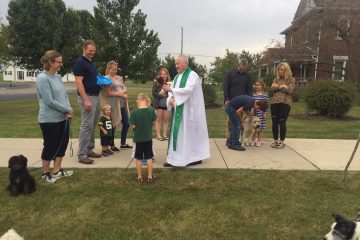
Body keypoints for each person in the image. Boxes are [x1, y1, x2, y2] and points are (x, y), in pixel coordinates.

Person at [162, 54, 210, 167]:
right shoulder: (177, 77)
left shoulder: (192, 75)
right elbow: (172, 92)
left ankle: (192, 158)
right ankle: (174, 158)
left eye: (178, 63)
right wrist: (170, 100)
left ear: (186, 64)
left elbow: (188, 90)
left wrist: (172, 90)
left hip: (189, 112)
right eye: (175, 64)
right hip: (179, 109)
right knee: (178, 135)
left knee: (188, 136)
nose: (176, 66)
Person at [36, 50, 73, 183]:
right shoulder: (42, 78)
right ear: (50, 62)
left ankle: (57, 170)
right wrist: (66, 109)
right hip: (49, 119)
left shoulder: (57, 77)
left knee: (62, 144)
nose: (61, 64)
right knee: (50, 146)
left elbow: (64, 95)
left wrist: (68, 109)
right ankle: (45, 174)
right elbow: (49, 101)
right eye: (59, 62)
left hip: (62, 118)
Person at [74, 40, 101, 164]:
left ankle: (89, 149)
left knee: (93, 125)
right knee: (86, 125)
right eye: (90, 50)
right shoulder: (80, 62)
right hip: (88, 97)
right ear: (84, 49)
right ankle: (82, 154)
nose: (92, 53)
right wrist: (86, 99)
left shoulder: (90, 63)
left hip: (96, 96)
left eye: (94, 51)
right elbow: (79, 82)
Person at [101, 60, 131, 151]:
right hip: (112, 103)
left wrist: (123, 92)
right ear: (108, 69)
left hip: (122, 104)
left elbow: (124, 87)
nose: (114, 71)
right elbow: (108, 93)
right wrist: (120, 94)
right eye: (112, 69)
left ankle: (123, 143)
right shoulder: (105, 79)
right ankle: (111, 144)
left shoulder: (119, 78)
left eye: (115, 69)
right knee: (113, 123)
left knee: (126, 123)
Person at [129, 93, 157, 183]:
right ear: (147, 101)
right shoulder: (152, 111)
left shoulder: (134, 112)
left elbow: (133, 126)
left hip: (138, 139)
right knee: (149, 158)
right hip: (148, 139)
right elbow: (154, 123)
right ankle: (149, 177)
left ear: (138, 101)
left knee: (138, 158)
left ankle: (139, 177)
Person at [223, 58, 252, 142]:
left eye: (244, 69)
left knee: (239, 121)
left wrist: (250, 101)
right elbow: (226, 87)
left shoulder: (248, 76)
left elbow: (249, 90)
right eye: (241, 68)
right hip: (231, 101)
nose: (243, 70)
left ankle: (236, 138)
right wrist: (226, 99)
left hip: (241, 103)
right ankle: (229, 138)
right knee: (230, 121)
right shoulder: (230, 73)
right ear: (238, 65)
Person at [270, 62, 295, 149]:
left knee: (282, 122)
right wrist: (282, 86)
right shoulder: (275, 79)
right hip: (274, 103)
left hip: (285, 103)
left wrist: (278, 87)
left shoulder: (291, 80)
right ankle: (275, 141)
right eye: (279, 70)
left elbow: (289, 90)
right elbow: (272, 88)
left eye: (282, 70)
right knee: (274, 123)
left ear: (286, 70)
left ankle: (282, 142)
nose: (280, 72)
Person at [152, 68, 171, 141]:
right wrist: (161, 94)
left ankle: (165, 135)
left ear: (167, 74)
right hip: (158, 103)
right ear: (160, 75)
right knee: (159, 119)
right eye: (162, 74)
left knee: (166, 120)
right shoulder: (156, 82)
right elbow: (153, 93)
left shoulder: (170, 83)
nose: (163, 75)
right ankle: (158, 135)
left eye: (165, 74)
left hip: (167, 103)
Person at [252, 79, 269, 147]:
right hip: (255, 113)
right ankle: (253, 139)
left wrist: (265, 113)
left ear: (262, 86)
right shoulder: (253, 95)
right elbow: (251, 103)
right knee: (255, 127)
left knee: (261, 127)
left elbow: (266, 105)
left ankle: (259, 140)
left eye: (258, 85)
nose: (257, 86)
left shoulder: (265, 95)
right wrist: (252, 110)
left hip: (262, 114)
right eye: (256, 85)